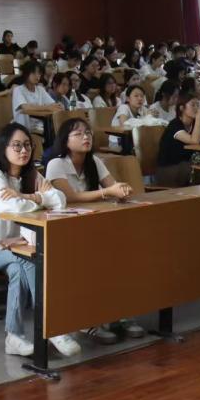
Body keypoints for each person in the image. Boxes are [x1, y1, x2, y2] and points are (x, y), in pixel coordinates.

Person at [0, 123, 67, 357]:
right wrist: (40, 199)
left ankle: (14, 337)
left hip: (14, 247)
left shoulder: (31, 174)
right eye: (17, 146)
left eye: (28, 145)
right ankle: (52, 325)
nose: (24, 151)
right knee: (26, 260)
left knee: (18, 267)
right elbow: (10, 207)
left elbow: (60, 200)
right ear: (3, 147)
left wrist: (27, 196)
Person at [44, 118, 140, 347]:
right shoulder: (56, 164)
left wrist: (122, 190)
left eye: (87, 132)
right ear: (65, 140)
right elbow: (70, 197)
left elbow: (113, 186)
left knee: (120, 257)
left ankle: (118, 314)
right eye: (78, 134)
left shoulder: (94, 161)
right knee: (91, 263)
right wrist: (107, 192)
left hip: (93, 226)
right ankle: (88, 321)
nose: (85, 137)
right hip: (64, 231)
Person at [157, 94, 200, 186]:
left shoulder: (195, 124)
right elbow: (194, 141)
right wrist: (199, 117)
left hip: (186, 164)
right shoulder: (174, 125)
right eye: (193, 105)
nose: (197, 108)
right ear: (182, 108)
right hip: (169, 169)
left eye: (198, 105)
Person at [11, 60, 60, 133]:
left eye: (39, 73)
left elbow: (52, 104)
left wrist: (58, 105)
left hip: (40, 125)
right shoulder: (18, 90)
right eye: (34, 73)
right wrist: (47, 107)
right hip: (22, 127)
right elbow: (26, 107)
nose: (37, 76)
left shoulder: (40, 89)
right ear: (26, 74)